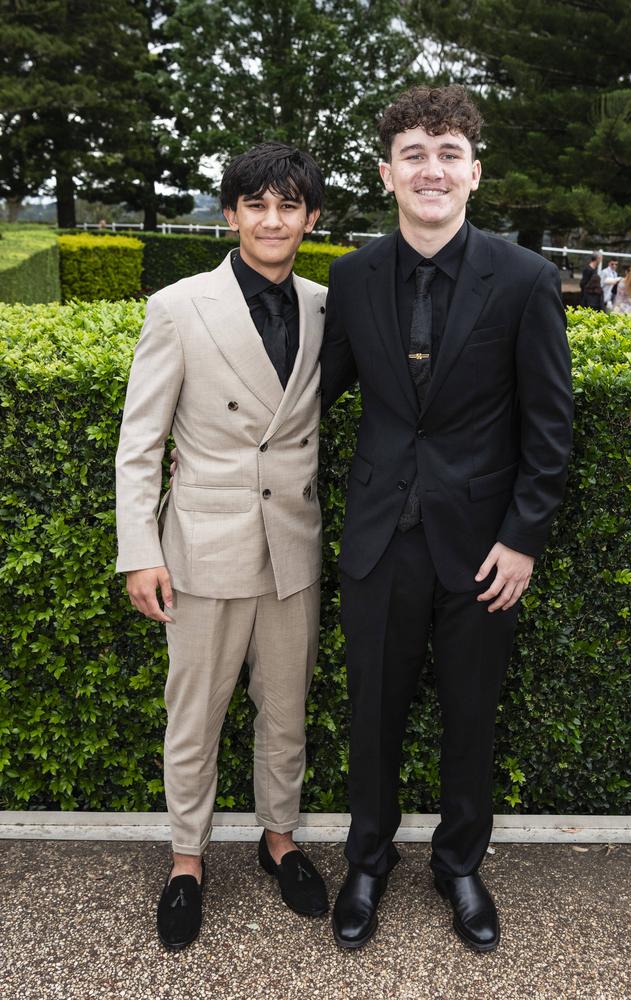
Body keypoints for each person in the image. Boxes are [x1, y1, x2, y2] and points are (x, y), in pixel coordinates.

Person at [320, 84, 573, 953]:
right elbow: (309, 400)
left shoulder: (528, 279)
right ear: (387, 172)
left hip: (483, 550)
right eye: (415, 154)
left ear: (474, 172)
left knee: (471, 714)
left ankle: (460, 863)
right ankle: (368, 859)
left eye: (449, 153)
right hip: (380, 537)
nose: (433, 169)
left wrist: (523, 538)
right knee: (373, 713)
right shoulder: (350, 278)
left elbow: (550, 426)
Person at [115, 143, 329, 951]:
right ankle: (187, 859)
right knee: (194, 715)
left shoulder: (322, 306)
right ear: (232, 213)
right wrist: (140, 549)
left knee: (285, 709)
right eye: (255, 204)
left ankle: (279, 841)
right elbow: (141, 442)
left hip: (293, 547)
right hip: (202, 546)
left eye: (288, 206)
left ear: (311, 218)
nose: (271, 220)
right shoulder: (178, 305)